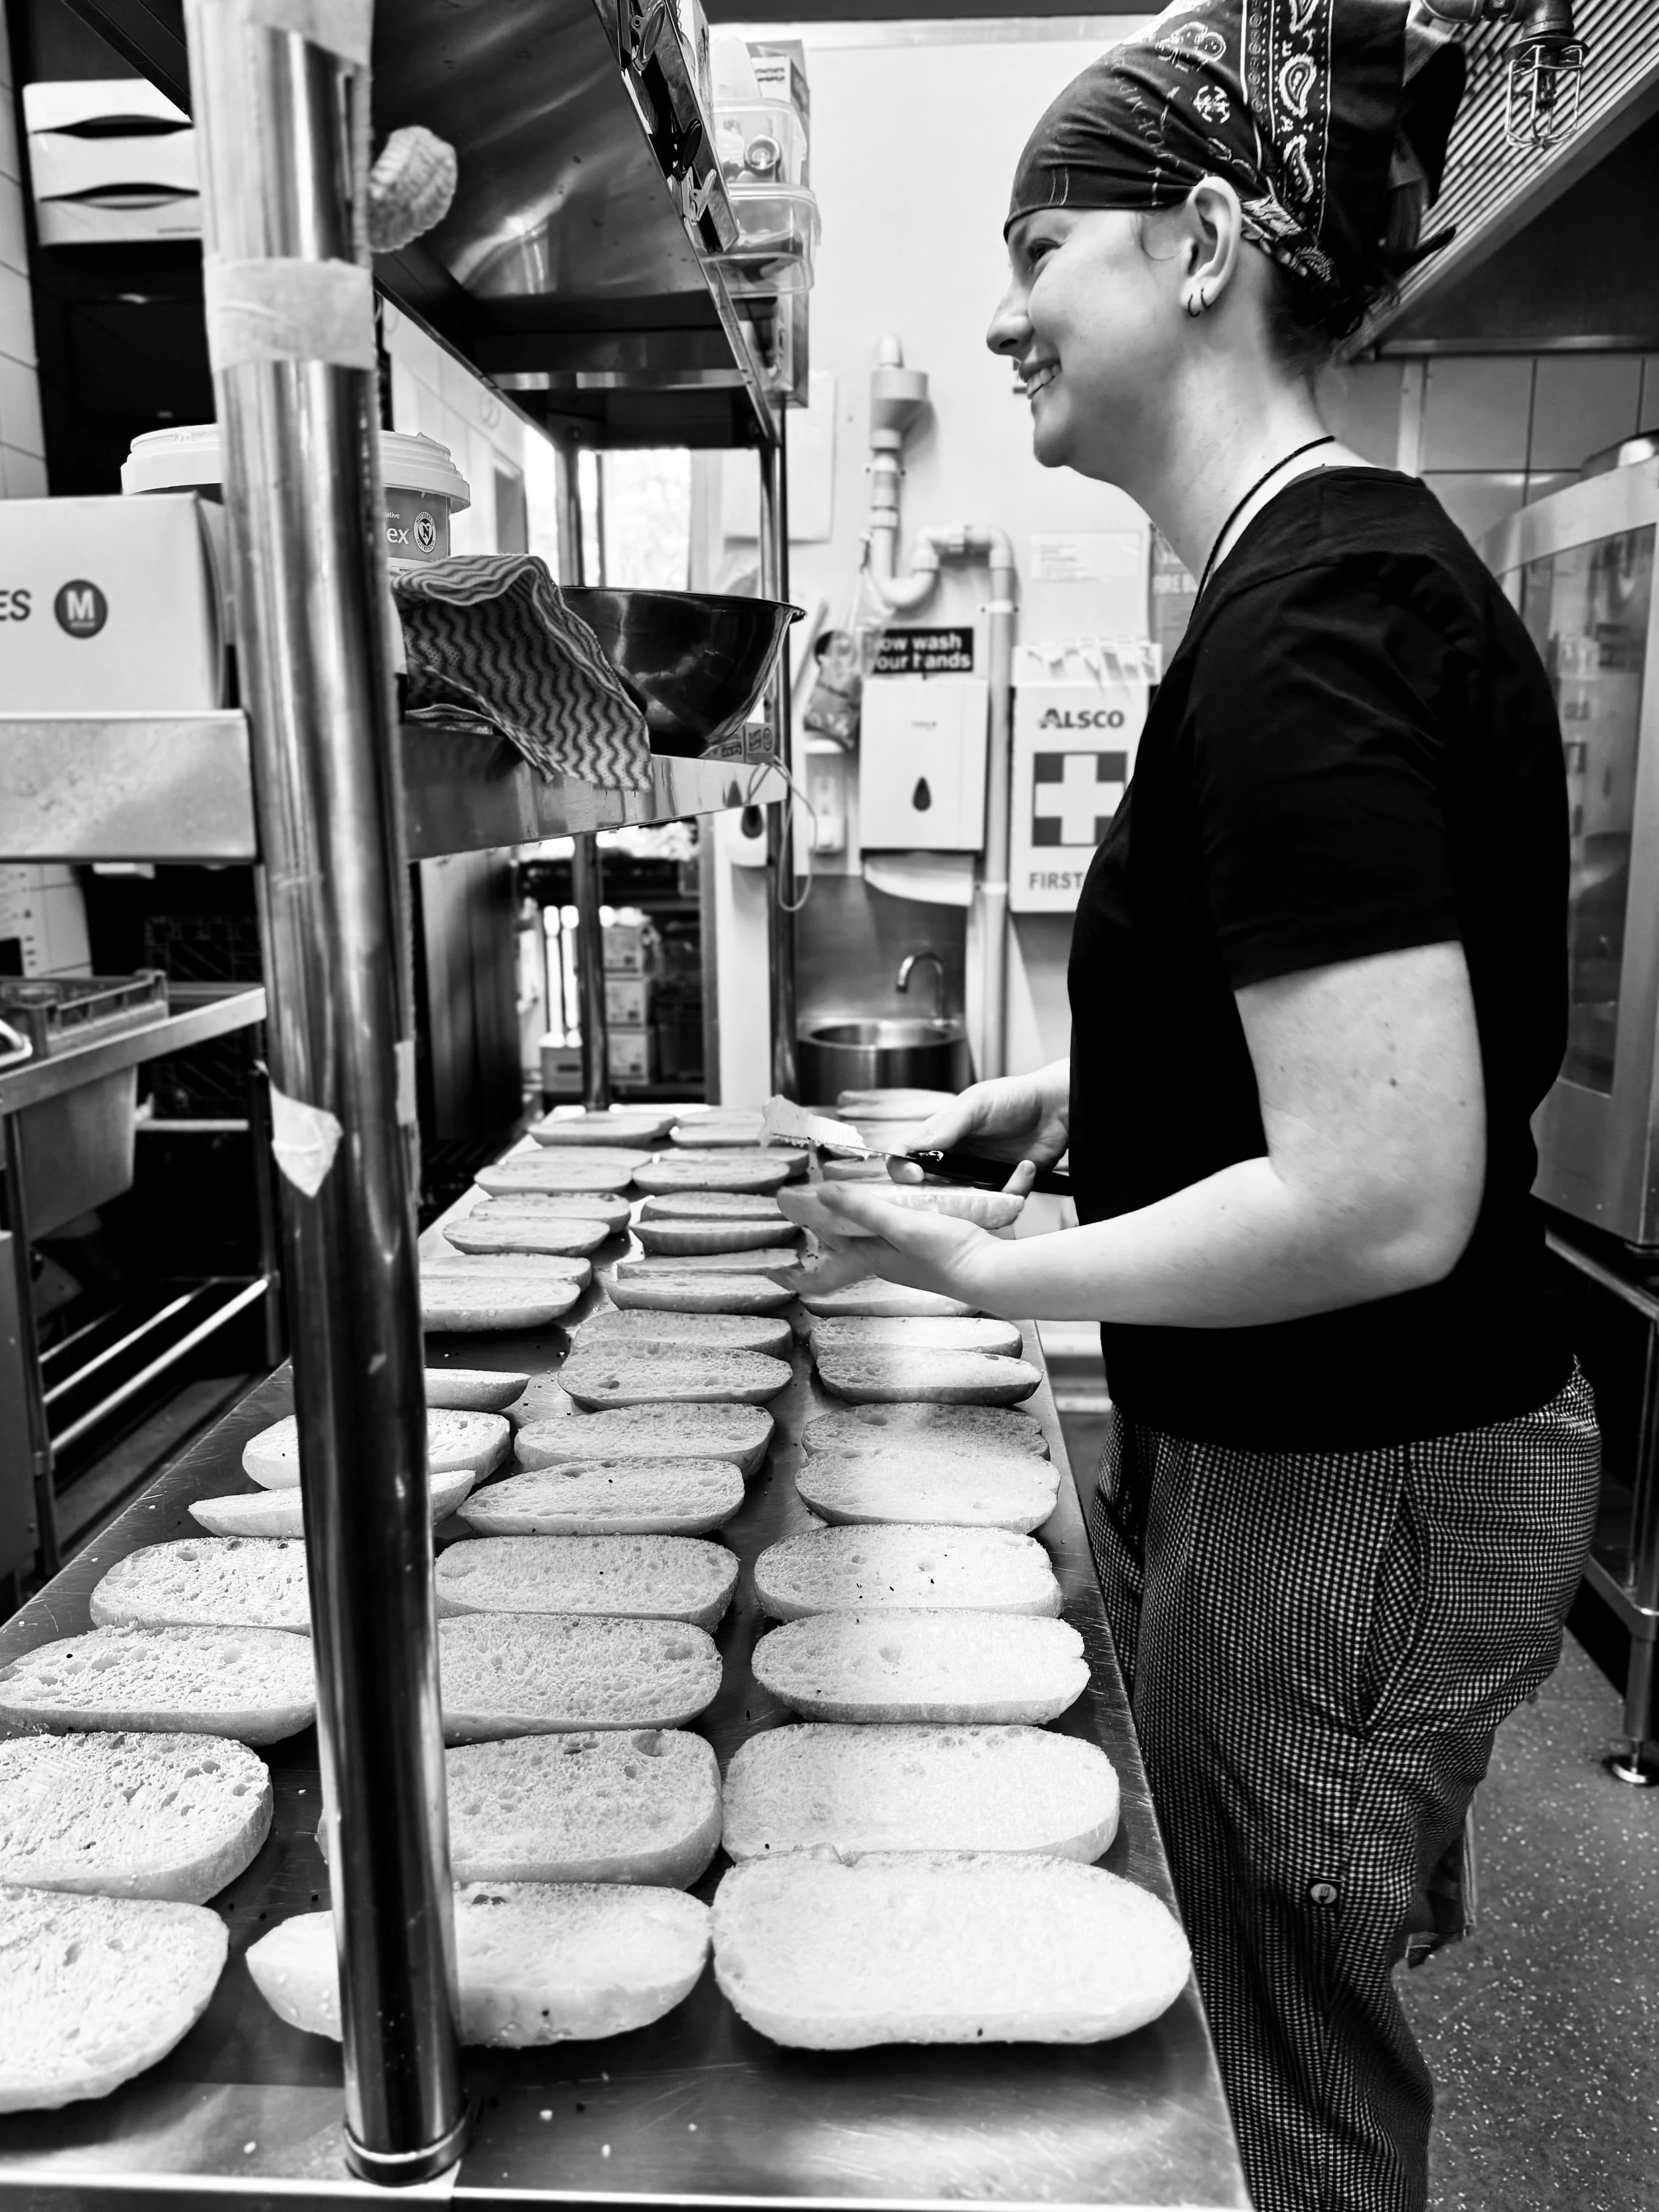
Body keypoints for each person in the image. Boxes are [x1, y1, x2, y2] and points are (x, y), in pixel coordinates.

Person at [778, 4, 1598, 2208]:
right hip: (1340, 1454)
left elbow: (1377, 1188)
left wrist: (993, 1266)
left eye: (1041, 241)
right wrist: (1082, 1092)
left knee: (1276, 2084)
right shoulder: (1301, 579)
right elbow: (1321, 1029)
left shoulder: (1307, 617)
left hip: (1357, 1485)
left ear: (1206, 241)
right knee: (1265, 2009)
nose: (1000, 306)